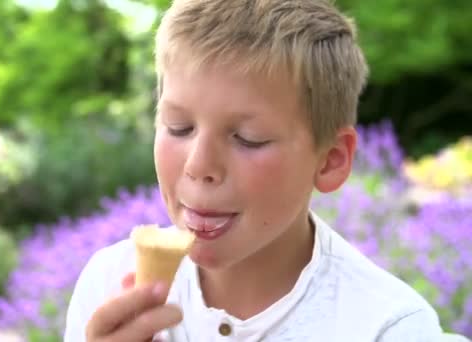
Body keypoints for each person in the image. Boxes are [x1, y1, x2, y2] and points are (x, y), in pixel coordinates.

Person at [64, 0, 446, 340]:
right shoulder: (107, 285)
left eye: (249, 138)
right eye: (179, 127)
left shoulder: (389, 327)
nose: (199, 166)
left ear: (330, 160)